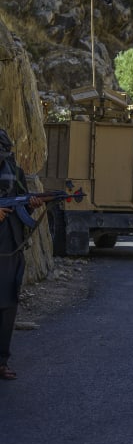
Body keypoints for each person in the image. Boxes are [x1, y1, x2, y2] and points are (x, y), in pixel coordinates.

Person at [0, 128, 44, 380]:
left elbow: (21, 200)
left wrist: (32, 203)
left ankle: (1, 361)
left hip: (12, 248)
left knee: (7, 307)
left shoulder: (13, 171)